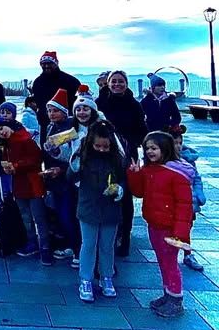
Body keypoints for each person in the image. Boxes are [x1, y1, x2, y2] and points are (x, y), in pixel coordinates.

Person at [128, 131, 193, 318]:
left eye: (154, 148)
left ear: (165, 149)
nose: (150, 151)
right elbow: (139, 192)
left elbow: (184, 206)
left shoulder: (177, 174)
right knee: (163, 261)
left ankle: (175, 300)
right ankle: (168, 294)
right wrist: (134, 174)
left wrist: (180, 233)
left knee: (170, 263)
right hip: (154, 224)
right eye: (147, 148)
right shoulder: (150, 170)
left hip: (170, 228)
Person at [68, 121, 126, 303]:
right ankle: (85, 279)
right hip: (89, 207)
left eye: (105, 147)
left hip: (110, 209)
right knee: (88, 244)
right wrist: (74, 165)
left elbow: (124, 178)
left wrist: (120, 188)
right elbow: (70, 177)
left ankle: (106, 276)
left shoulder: (117, 159)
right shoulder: (84, 157)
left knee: (107, 245)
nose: (101, 149)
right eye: (98, 146)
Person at [96, 70, 148, 257]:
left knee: (125, 196)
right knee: (105, 192)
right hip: (103, 154)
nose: (117, 84)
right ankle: (107, 234)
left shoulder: (134, 105)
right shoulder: (100, 103)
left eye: (121, 81)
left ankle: (124, 237)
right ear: (108, 83)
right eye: (114, 81)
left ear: (126, 84)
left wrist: (130, 142)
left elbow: (142, 130)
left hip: (126, 155)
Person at [0, 117, 51, 266]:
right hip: (19, 185)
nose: (1, 132)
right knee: (26, 216)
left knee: (38, 217)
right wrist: (8, 167)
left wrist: (17, 165)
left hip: (33, 184)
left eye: (1, 128)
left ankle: (45, 247)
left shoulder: (25, 139)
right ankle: (32, 242)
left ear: (8, 125)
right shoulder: (6, 145)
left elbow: (36, 160)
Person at [42, 89, 80, 268]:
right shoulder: (50, 127)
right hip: (54, 178)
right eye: (49, 110)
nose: (51, 114)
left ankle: (78, 250)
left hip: (67, 180)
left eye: (55, 110)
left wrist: (61, 169)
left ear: (64, 111)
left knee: (68, 215)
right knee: (60, 214)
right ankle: (70, 245)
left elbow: (74, 156)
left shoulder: (71, 128)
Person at [168, 125, 206, 272]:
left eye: (180, 143)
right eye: (174, 143)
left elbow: (196, 178)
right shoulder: (164, 160)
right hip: (172, 202)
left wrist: (198, 194)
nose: (178, 146)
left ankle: (187, 253)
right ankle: (172, 253)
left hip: (189, 202)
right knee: (172, 229)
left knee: (186, 228)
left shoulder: (189, 160)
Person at [31, 51, 80, 145]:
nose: (46, 66)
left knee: (66, 149)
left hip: (68, 125)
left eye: (49, 63)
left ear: (56, 64)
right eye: (43, 64)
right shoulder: (38, 82)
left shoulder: (70, 81)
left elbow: (77, 103)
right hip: (46, 124)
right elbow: (39, 103)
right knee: (47, 148)